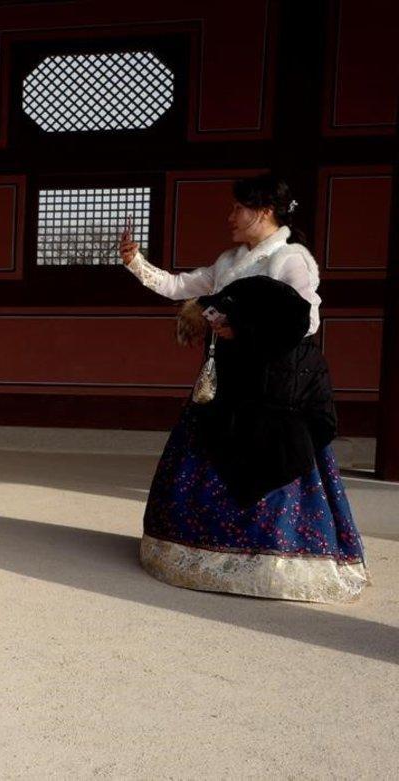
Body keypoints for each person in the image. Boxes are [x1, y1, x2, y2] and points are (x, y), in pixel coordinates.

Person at [118, 173, 368, 602]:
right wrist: (135, 262)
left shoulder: (291, 259)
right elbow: (180, 286)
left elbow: (306, 320)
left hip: (272, 388)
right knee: (206, 454)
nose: (230, 216)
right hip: (227, 382)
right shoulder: (229, 261)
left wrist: (243, 326)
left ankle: (276, 561)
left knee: (272, 464)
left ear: (264, 211)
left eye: (238, 208)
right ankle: (196, 553)